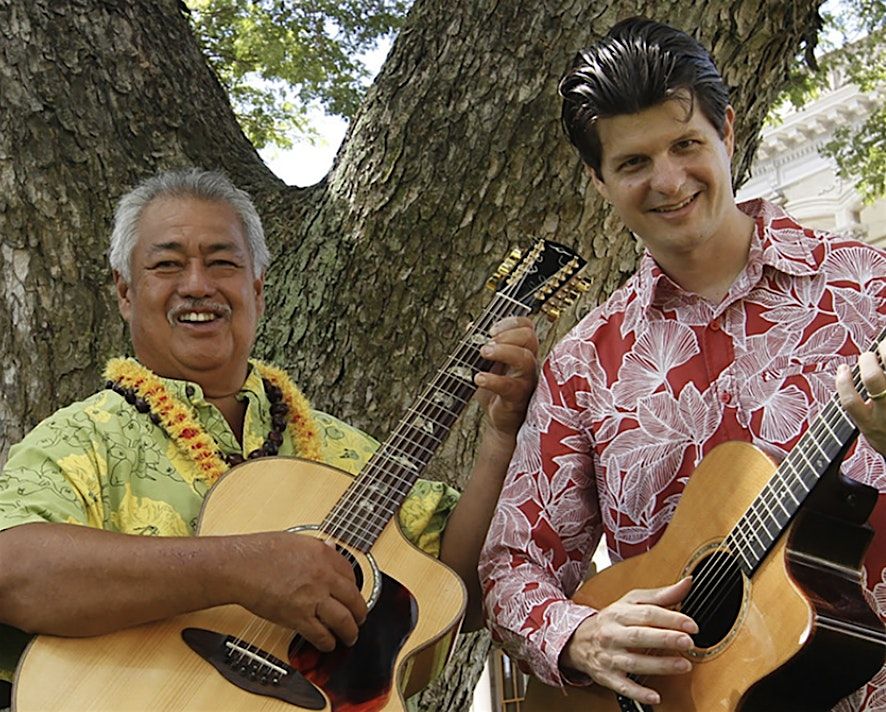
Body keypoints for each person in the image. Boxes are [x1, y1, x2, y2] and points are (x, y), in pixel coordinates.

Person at [0, 168, 538, 704]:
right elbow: (14, 573)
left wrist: (500, 438)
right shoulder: (80, 438)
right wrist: (241, 569)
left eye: (222, 263)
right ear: (124, 292)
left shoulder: (339, 450)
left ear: (256, 289)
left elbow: (461, 583)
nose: (197, 285)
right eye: (167, 264)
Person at [479, 16, 886, 711]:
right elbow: (514, 564)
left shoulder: (870, 290)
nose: (668, 181)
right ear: (599, 181)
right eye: (633, 163)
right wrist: (580, 636)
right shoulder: (584, 366)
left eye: (686, 144)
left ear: (726, 132)